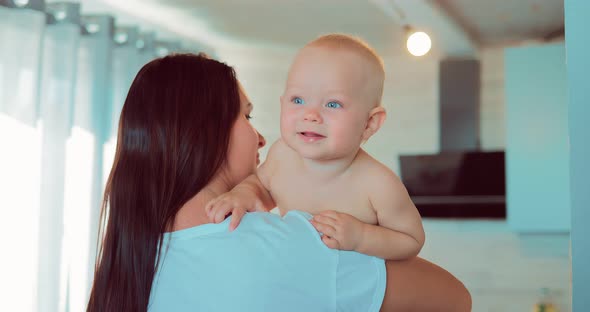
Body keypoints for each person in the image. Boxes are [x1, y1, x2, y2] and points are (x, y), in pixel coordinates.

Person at [87, 53, 471, 311]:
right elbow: (454, 298)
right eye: (247, 117)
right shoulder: (283, 243)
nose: (260, 138)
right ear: (207, 132)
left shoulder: (132, 259)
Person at [206, 34, 424, 261]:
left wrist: (362, 237)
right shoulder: (282, 155)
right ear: (282, 103)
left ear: (369, 124)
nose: (310, 115)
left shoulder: (378, 184)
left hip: (352, 289)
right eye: (298, 100)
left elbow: (411, 239)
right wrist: (243, 194)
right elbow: (262, 186)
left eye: (332, 104)